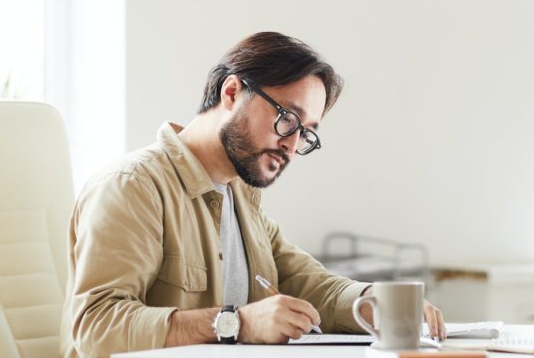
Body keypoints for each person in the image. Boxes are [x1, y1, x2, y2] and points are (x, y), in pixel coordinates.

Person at [61, 31, 445, 357]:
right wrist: (236, 322)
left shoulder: (240, 196)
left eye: (305, 133)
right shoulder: (134, 186)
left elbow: (304, 280)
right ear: (232, 92)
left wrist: (371, 301)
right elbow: (95, 324)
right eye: (288, 119)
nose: (292, 146)